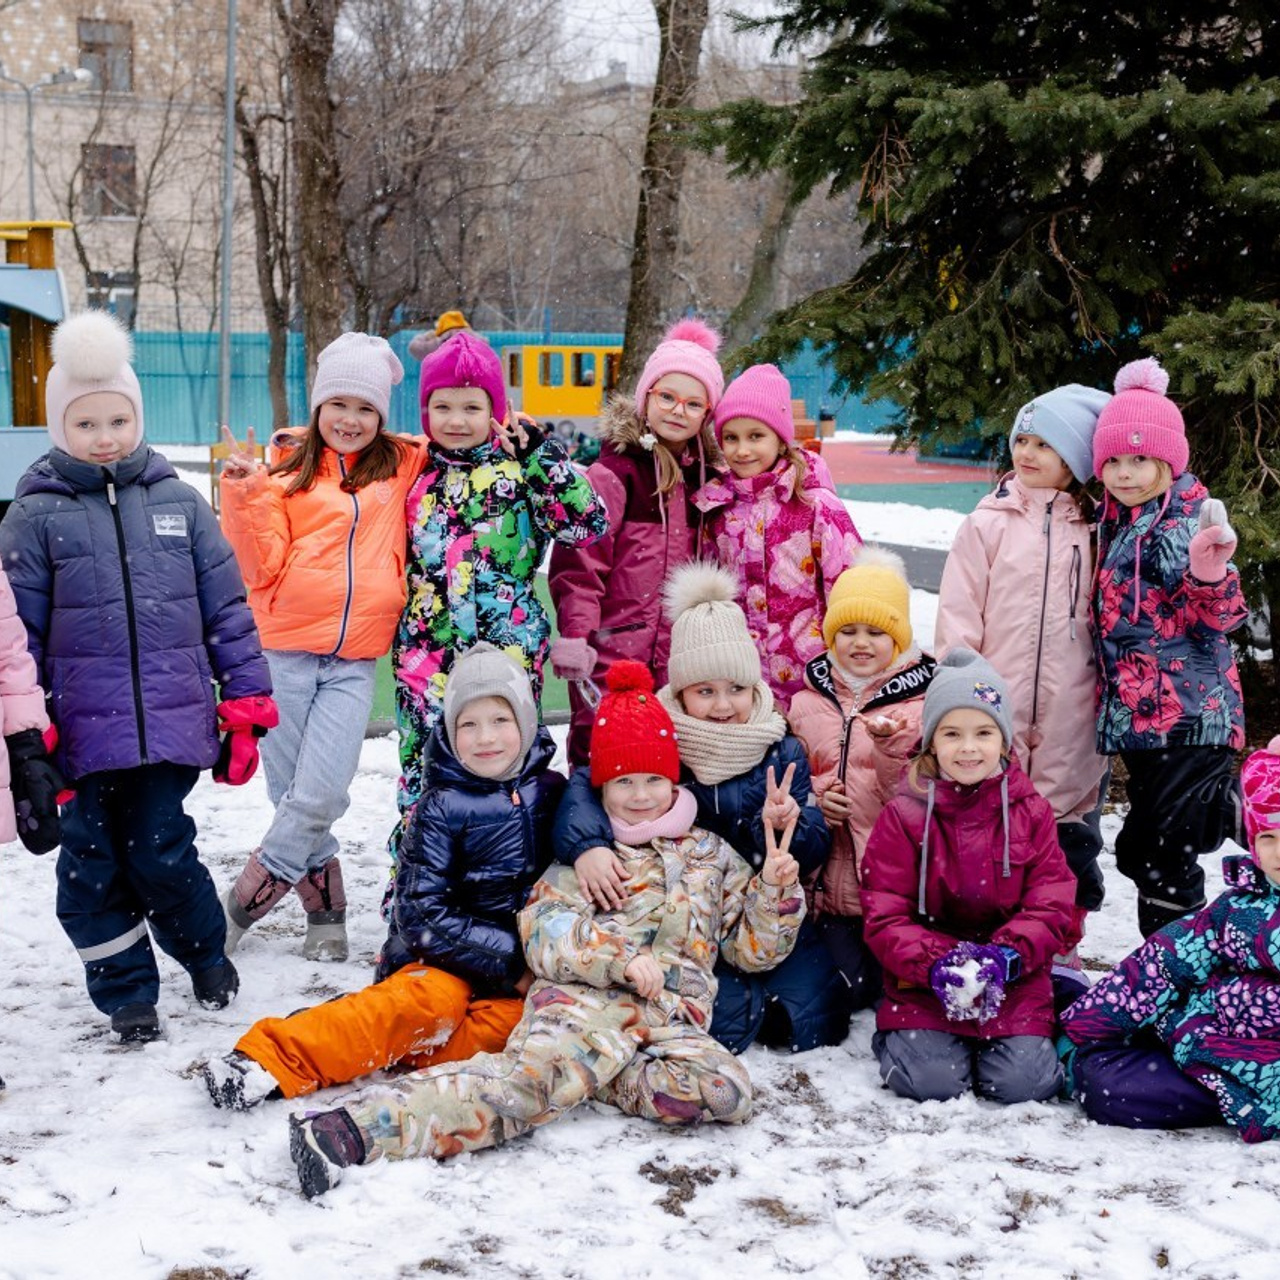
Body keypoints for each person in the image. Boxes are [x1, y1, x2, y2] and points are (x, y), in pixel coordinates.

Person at [286, 660, 804, 1197]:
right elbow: (545, 930)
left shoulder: (711, 855)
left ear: (675, 778)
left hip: (671, 1020)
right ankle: (351, 1131)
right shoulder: (587, 855)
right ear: (602, 787)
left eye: (655, 779)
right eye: (624, 782)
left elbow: (752, 953)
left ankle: (589, 1078)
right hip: (585, 1006)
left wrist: (775, 890)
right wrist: (619, 960)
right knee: (522, 1091)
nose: (642, 795)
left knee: (724, 1092)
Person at [0, 310, 273, 1043]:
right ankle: (126, 993)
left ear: (137, 418)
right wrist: (26, 735)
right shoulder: (33, 516)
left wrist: (245, 701)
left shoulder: (180, 503)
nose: (105, 437)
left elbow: (226, 607)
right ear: (60, 428)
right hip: (79, 736)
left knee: (161, 849)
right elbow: (14, 636)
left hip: (171, 724)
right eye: (86, 424)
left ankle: (205, 955)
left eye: (117, 420)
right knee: (90, 865)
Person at [201, 644, 561, 1109]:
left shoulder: (554, 794)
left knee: (516, 1032)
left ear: (527, 724)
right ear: (450, 732)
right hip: (441, 963)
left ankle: (394, 1056)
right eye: (468, 724)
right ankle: (271, 1058)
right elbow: (422, 918)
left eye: (500, 721)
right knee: (424, 1009)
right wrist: (512, 963)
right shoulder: (439, 808)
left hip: (518, 983)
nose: (485, 737)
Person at [553, 560, 846, 1053]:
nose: (723, 705)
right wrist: (587, 844)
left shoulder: (778, 746)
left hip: (752, 903)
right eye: (705, 691)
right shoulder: (660, 730)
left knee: (818, 1007)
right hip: (679, 907)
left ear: (754, 686)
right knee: (699, 1002)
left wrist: (781, 827)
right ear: (681, 691)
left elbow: (812, 845)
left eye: (735, 689)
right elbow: (587, 782)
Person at [217, 333, 426, 960]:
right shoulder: (281, 475)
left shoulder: (401, 464)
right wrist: (245, 493)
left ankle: (240, 904)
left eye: (366, 408)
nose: (351, 420)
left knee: (322, 791)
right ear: (317, 407)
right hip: (281, 654)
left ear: (382, 416)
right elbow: (257, 570)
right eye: (338, 404)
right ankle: (327, 913)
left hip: (354, 660)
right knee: (294, 794)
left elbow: (458, 435)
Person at [936, 383, 1112, 992]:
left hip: (1071, 712)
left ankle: (1060, 941)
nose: (1028, 453)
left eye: (1047, 444)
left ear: (1078, 459)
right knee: (989, 823)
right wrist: (960, 690)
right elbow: (958, 615)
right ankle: (988, 934)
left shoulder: (1096, 531)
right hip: (994, 712)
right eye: (1022, 441)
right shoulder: (986, 525)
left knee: (1066, 833)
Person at [393, 330, 607, 822]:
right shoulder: (413, 471)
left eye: (472, 407)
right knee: (423, 767)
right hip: (428, 650)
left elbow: (587, 524)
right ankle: (415, 879)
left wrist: (541, 457)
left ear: (497, 406)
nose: (457, 420)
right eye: (442, 407)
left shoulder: (522, 465)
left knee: (504, 761)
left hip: (509, 644)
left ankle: (509, 877)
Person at [860, 649, 1076, 1105]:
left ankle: (1025, 1039)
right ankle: (907, 1041)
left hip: (1013, 975)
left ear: (1004, 742)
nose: (969, 747)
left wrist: (1005, 958)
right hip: (925, 980)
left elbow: (1051, 902)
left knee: (1024, 1085)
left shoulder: (1031, 812)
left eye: (983, 733)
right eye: (952, 733)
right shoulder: (903, 815)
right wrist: (939, 962)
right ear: (931, 742)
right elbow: (884, 914)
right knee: (932, 1083)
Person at [1091, 357, 1247, 936]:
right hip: (1142, 723)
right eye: (1115, 460)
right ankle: (1171, 974)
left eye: (1141, 460)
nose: (1126, 472)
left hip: (1189, 717)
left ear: (1169, 461)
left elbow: (1220, 619)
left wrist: (1210, 575)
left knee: (1155, 856)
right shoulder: (1117, 522)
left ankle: (1256, 809)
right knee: (1156, 853)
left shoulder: (1184, 521)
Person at [1059, 737, 1280, 1141]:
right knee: (1109, 1062)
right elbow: (1166, 960)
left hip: (1253, 1070)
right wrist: (1086, 1021)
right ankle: (1073, 1034)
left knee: (1111, 1090)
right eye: (1268, 837)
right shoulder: (1241, 907)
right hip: (1210, 1040)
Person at [549, 319, 725, 767]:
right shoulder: (615, 474)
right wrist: (577, 634)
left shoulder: (708, 480)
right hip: (612, 650)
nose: (677, 410)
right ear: (646, 397)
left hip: (681, 655)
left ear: (707, 413)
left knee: (668, 761)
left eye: (693, 403)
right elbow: (581, 565)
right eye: (667, 396)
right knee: (604, 755)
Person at [788, 547, 936, 1010]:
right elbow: (787, 779)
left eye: (876, 632)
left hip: (893, 893)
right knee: (847, 992)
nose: (860, 642)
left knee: (895, 986)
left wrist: (892, 752)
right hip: (826, 893)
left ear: (899, 638)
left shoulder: (919, 706)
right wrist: (816, 798)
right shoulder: (806, 704)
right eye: (847, 631)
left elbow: (921, 795)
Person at [692, 363, 861, 708]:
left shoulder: (814, 505)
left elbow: (848, 587)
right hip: (742, 679)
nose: (742, 450)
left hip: (812, 676)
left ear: (780, 440)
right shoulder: (717, 510)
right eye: (731, 437)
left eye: (756, 436)